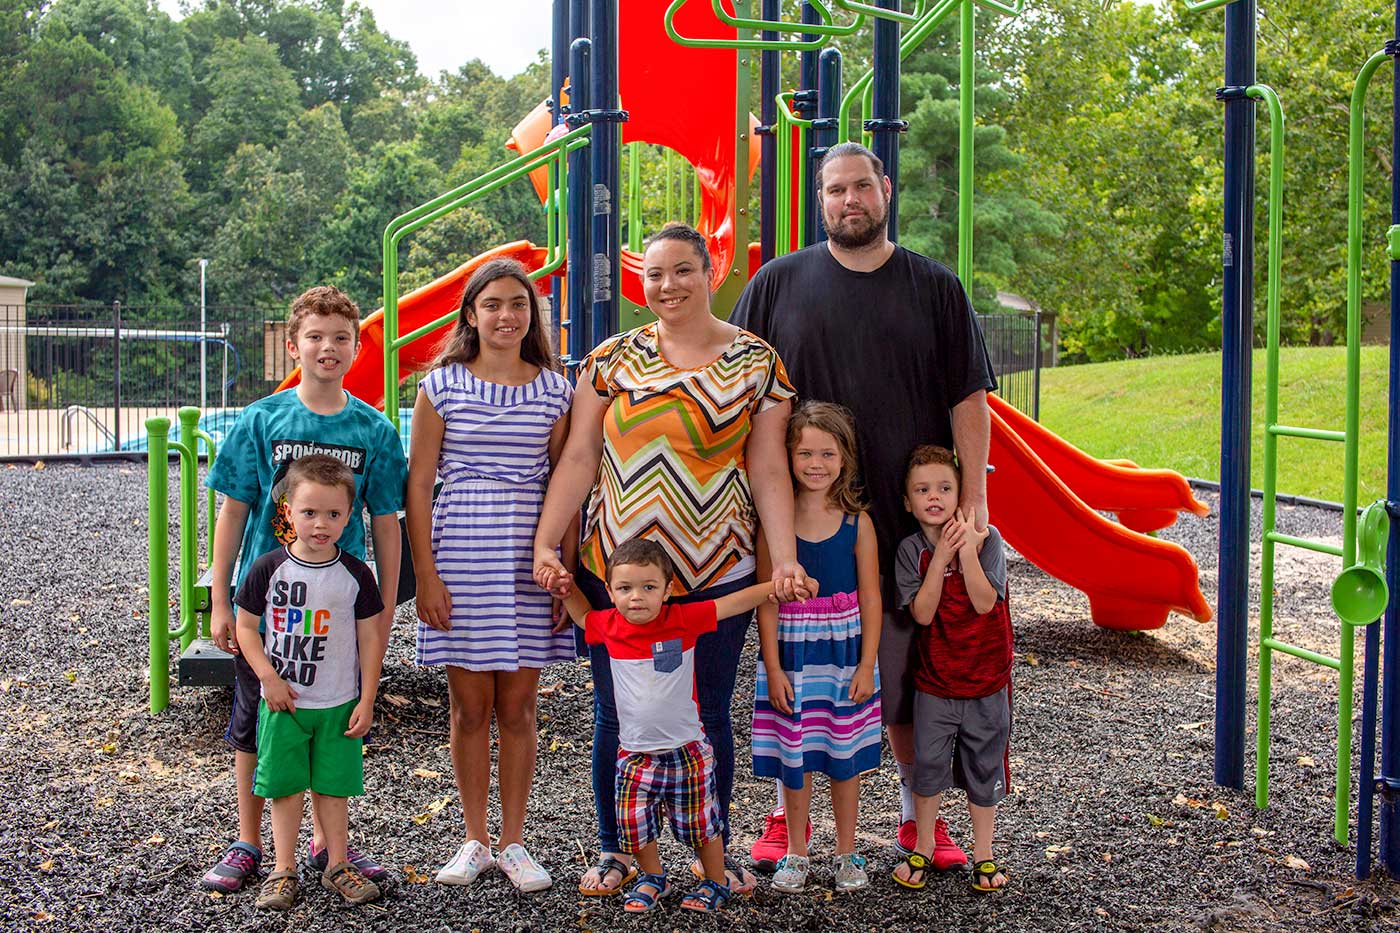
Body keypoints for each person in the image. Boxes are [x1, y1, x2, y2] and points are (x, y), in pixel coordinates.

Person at [730, 141, 995, 869]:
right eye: (834, 190)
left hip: (916, 520)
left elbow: (968, 397)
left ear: (886, 189)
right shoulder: (779, 284)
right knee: (800, 666)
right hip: (810, 517)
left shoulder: (935, 287)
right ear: (822, 201)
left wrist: (973, 494)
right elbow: (744, 393)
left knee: (915, 674)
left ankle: (921, 814)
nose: (849, 201)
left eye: (860, 187)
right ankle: (788, 817)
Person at [532, 223, 807, 897]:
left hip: (716, 568)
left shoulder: (755, 362)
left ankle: (708, 852)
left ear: (710, 273)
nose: (667, 286)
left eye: (682, 270)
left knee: (706, 712)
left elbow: (769, 465)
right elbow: (579, 457)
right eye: (654, 274)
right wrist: (546, 537)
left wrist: (786, 557)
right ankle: (616, 846)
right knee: (616, 711)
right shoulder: (612, 358)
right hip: (617, 573)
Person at [201, 285, 407, 893]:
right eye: (314, 337)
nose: (327, 347)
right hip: (270, 602)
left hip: (339, 607)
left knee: (331, 721)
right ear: (294, 344)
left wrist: (387, 606)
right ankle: (249, 841)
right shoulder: (262, 419)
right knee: (257, 720)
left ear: (357, 346)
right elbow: (233, 510)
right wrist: (221, 597)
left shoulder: (373, 429)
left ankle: (325, 845)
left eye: (340, 337)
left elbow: (388, 522)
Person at [405, 258, 575, 893]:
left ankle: (514, 841)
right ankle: (474, 838)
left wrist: (569, 570)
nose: (507, 316)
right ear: (470, 315)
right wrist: (426, 573)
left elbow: (568, 482)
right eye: (494, 304)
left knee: (519, 707)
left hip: (529, 558)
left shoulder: (557, 390)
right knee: (469, 707)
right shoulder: (441, 387)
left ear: (532, 316)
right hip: (461, 555)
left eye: (519, 305)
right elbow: (419, 482)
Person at [546, 538, 819, 913]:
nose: (636, 597)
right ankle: (653, 877)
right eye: (624, 588)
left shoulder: (681, 620)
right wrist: (567, 587)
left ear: (668, 589)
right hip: (634, 755)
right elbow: (580, 614)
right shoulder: (607, 625)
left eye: (648, 587)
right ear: (609, 591)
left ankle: (714, 879)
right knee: (635, 824)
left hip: (687, 752)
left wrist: (777, 587)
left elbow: (731, 604)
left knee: (702, 825)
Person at [232, 455, 388, 910]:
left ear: (349, 515)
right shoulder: (267, 568)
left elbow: (370, 638)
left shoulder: (357, 575)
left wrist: (369, 697)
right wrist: (268, 678)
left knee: (333, 786)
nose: (321, 524)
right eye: (310, 512)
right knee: (285, 785)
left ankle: (337, 864)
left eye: (334, 514)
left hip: (338, 702)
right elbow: (246, 628)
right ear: (288, 512)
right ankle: (284, 870)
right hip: (284, 704)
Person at [751, 401, 883, 894]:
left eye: (827, 454)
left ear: (844, 459)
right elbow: (767, 600)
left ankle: (847, 852)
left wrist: (868, 664)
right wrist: (773, 667)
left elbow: (871, 596)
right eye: (805, 453)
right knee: (796, 755)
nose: (815, 464)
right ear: (787, 456)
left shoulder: (858, 523)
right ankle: (797, 852)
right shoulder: (773, 524)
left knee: (842, 754)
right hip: (792, 656)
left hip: (844, 655)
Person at [890, 445, 1011, 893]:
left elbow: (983, 602)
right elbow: (922, 614)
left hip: (985, 680)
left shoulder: (989, 539)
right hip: (936, 682)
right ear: (908, 501)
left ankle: (984, 854)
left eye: (944, 487)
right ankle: (922, 845)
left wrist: (967, 552)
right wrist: (941, 557)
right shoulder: (911, 551)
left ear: (961, 494)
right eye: (922, 490)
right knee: (929, 768)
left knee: (983, 768)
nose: (934, 497)